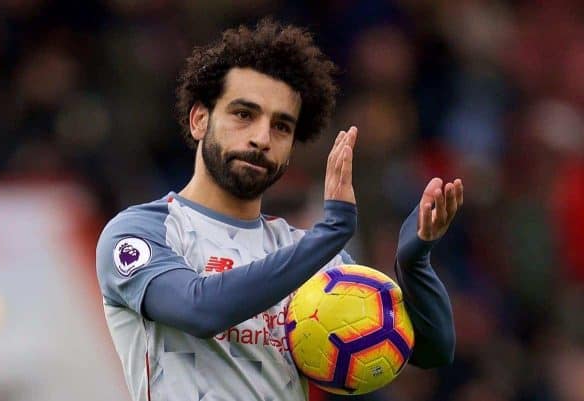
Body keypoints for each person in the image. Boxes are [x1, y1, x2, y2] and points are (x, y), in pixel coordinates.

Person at [96, 19, 463, 401]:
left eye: (282, 126)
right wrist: (330, 232)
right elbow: (199, 309)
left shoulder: (315, 259)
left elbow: (431, 351)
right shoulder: (142, 231)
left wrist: (415, 262)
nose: (261, 138)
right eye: (243, 114)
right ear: (199, 119)